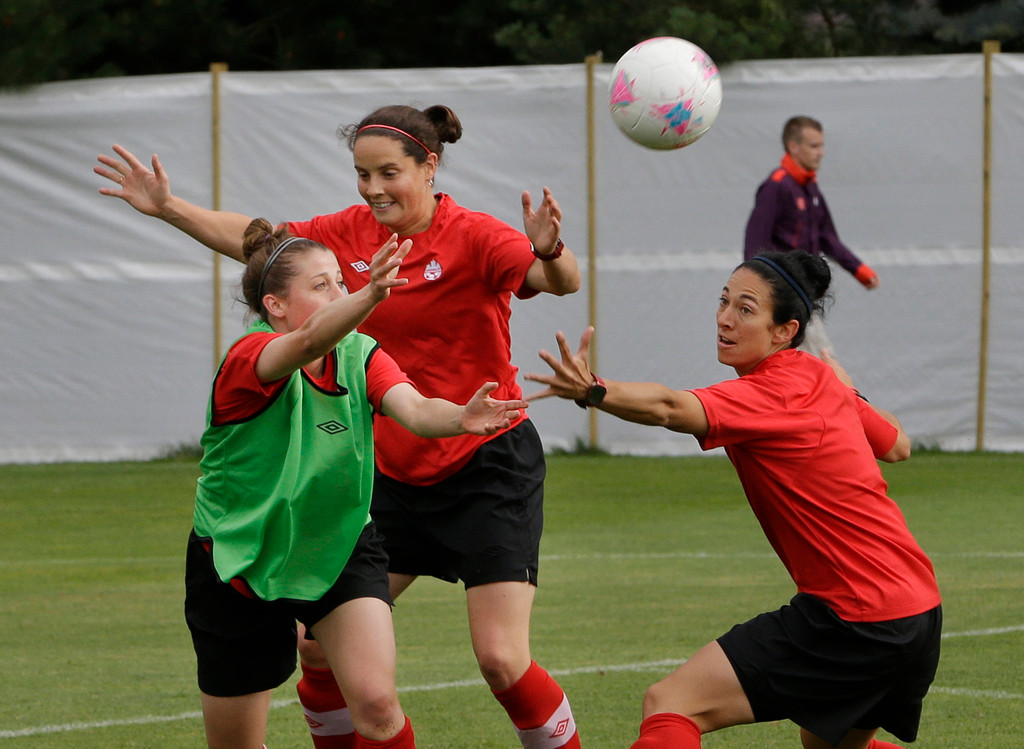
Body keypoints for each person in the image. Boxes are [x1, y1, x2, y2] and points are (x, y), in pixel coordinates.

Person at [95, 104, 584, 749]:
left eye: (388, 173)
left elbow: (558, 280)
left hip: (483, 458)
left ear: (429, 166)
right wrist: (169, 208)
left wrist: (549, 248)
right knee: (317, 649)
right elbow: (261, 246)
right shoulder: (340, 248)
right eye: (361, 173)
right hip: (388, 472)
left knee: (500, 659)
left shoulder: (475, 236)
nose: (373, 189)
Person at [524, 250, 942, 749]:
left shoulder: (774, 392)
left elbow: (669, 407)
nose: (724, 317)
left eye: (746, 309)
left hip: (856, 616)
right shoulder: (818, 377)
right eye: (724, 301)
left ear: (784, 330)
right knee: (825, 745)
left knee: (671, 703)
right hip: (918, 609)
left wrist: (593, 390)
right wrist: (852, 391)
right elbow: (897, 444)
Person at [186, 220, 528, 749]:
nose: (340, 293)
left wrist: (460, 417)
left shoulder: (359, 351)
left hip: (337, 542)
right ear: (275, 305)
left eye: (342, 282)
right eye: (321, 286)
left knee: (377, 706)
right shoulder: (249, 359)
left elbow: (412, 409)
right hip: (238, 554)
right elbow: (304, 342)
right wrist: (371, 294)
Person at [744, 116, 880, 356]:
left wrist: (860, 270)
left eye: (821, 146)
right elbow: (754, 246)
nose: (821, 153)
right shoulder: (777, 186)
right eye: (815, 146)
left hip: (805, 295)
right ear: (794, 147)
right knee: (823, 361)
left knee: (809, 364)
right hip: (785, 298)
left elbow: (828, 237)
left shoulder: (810, 187)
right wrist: (762, 293)